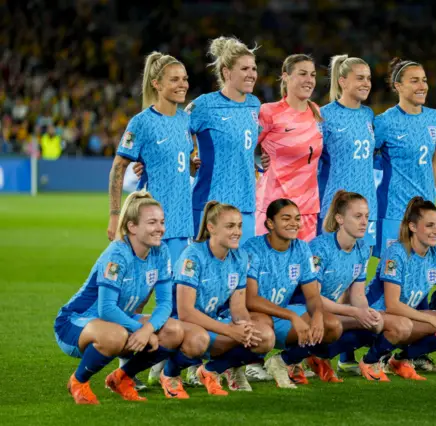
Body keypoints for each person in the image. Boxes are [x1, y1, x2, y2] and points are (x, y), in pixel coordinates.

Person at [54, 190, 184, 404]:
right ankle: (78, 381)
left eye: (162, 222)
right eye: (152, 222)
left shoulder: (161, 252)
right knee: (116, 336)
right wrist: (139, 330)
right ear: (132, 227)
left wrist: (147, 329)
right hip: (74, 323)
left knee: (174, 331)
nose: (160, 228)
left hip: (115, 323)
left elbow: (165, 303)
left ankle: (121, 378)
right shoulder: (117, 254)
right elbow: (106, 308)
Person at [156, 201, 275, 398]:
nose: (237, 231)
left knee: (264, 337)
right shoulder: (192, 256)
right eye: (230, 226)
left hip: (214, 322)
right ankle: (170, 374)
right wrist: (230, 331)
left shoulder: (239, 257)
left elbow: (238, 308)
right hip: (181, 325)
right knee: (198, 340)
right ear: (211, 228)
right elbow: (185, 312)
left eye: (239, 226)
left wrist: (245, 328)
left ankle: (211, 370)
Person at [300, 191, 413, 382]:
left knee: (376, 323)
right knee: (339, 324)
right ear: (340, 219)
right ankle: (297, 357)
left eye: (367, 216)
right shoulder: (320, 248)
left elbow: (358, 295)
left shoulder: (362, 249)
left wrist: (366, 312)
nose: (364, 222)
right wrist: (354, 312)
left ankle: (322, 357)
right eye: (358, 216)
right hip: (306, 310)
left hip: (333, 311)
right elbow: (313, 298)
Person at [244, 199, 343, 388]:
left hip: (280, 315)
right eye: (286, 218)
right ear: (270, 224)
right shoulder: (253, 248)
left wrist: (317, 316)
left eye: (297, 218)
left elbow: (313, 295)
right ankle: (243, 364)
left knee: (332, 325)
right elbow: (250, 299)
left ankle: (282, 361)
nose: (294, 223)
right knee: (263, 324)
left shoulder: (301, 248)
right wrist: (292, 316)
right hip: (254, 315)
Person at [108, 52, 194, 264]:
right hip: (150, 220)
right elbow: (118, 167)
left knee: (176, 290)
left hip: (183, 222)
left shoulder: (186, 120)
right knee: (139, 290)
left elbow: (183, 165)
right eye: (174, 79)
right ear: (156, 84)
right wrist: (114, 215)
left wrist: (193, 166)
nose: (182, 84)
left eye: (184, 79)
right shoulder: (142, 122)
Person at [365, 197, 436, 380]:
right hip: (375, 314)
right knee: (404, 326)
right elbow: (392, 305)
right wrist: (433, 321)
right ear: (412, 227)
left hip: (404, 318)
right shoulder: (397, 253)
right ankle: (370, 360)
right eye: (429, 226)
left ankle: (401, 359)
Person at [374, 57, 436, 258]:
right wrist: (385, 162)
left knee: (418, 272)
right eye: (415, 81)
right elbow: (364, 157)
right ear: (398, 86)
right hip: (395, 211)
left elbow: (435, 162)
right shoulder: (385, 121)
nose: (422, 86)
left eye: (424, 80)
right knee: (392, 274)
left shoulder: (433, 117)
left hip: (426, 210)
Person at [187, 36, 261, 242]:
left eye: (253, 68)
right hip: (210, 206)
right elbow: (175, 130)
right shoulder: (204, 105)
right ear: (227, 72)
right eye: (244, 69)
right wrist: (187, 161)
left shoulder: (255, 104)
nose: (252, 74)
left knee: (242, 271)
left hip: (245, 207)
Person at [255, 54, 323, 242]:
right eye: (302, 74)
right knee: (270, 266)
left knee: (302, 267)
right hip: (275, 207)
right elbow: (245, 146)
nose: (309, 80)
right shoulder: (269, 112)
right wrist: (258, 163)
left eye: (313, 75)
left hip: (307, 209)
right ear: (285, 76)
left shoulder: (316, 110)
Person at [317, 55, 377, 247]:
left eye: (368, 78)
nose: (366, 83)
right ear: (342, 81)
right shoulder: (324, 115)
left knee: (360, 270)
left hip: (367, 206)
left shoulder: (368, 114)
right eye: (360, 78)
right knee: (330, 270)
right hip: (337, 207)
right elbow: (313, 158)